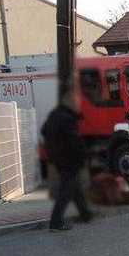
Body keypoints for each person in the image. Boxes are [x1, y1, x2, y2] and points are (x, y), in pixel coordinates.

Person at [41, 89, 94, 232]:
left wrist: (53, 145)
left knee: (74, 187)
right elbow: (74, 140)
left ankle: (85, 214)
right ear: (69, 103)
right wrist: (86, 154)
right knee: (66, 190)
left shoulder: (54, 115)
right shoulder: (66, 118)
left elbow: (44, 130)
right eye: (76, 103)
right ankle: (56, 222)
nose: (78, 105)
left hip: (58, 158)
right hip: (68, 159)